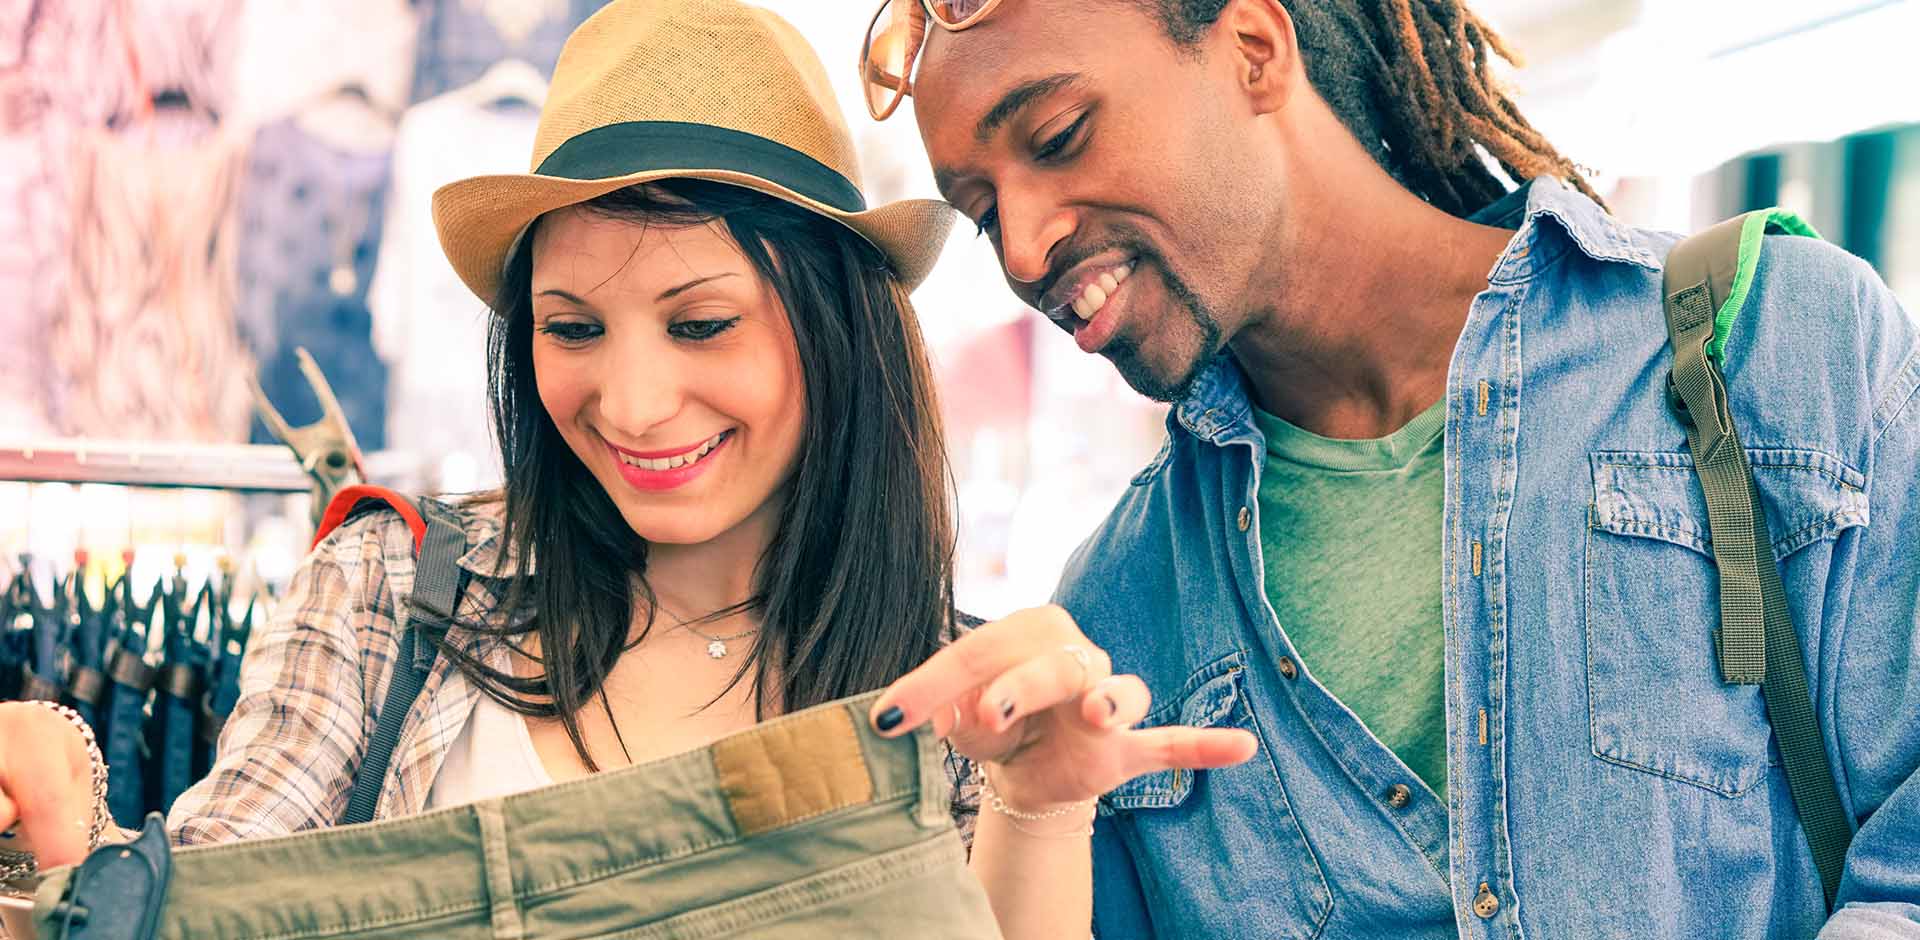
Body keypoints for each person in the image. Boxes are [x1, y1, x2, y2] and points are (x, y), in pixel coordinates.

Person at [0, 2, 1255, 937]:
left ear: (834, 338)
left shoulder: (955, 700)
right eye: (573, 328)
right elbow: (215, 888)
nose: (634, 402)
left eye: (700, 324)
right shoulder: (396, 590)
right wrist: (62, 821)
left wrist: (1039, 806)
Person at [861, 0, 1920, 937]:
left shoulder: (1779, 343)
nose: (1027, 252)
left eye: (1057, 135)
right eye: (984, 210)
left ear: (1254, 47)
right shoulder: (1116, 611)